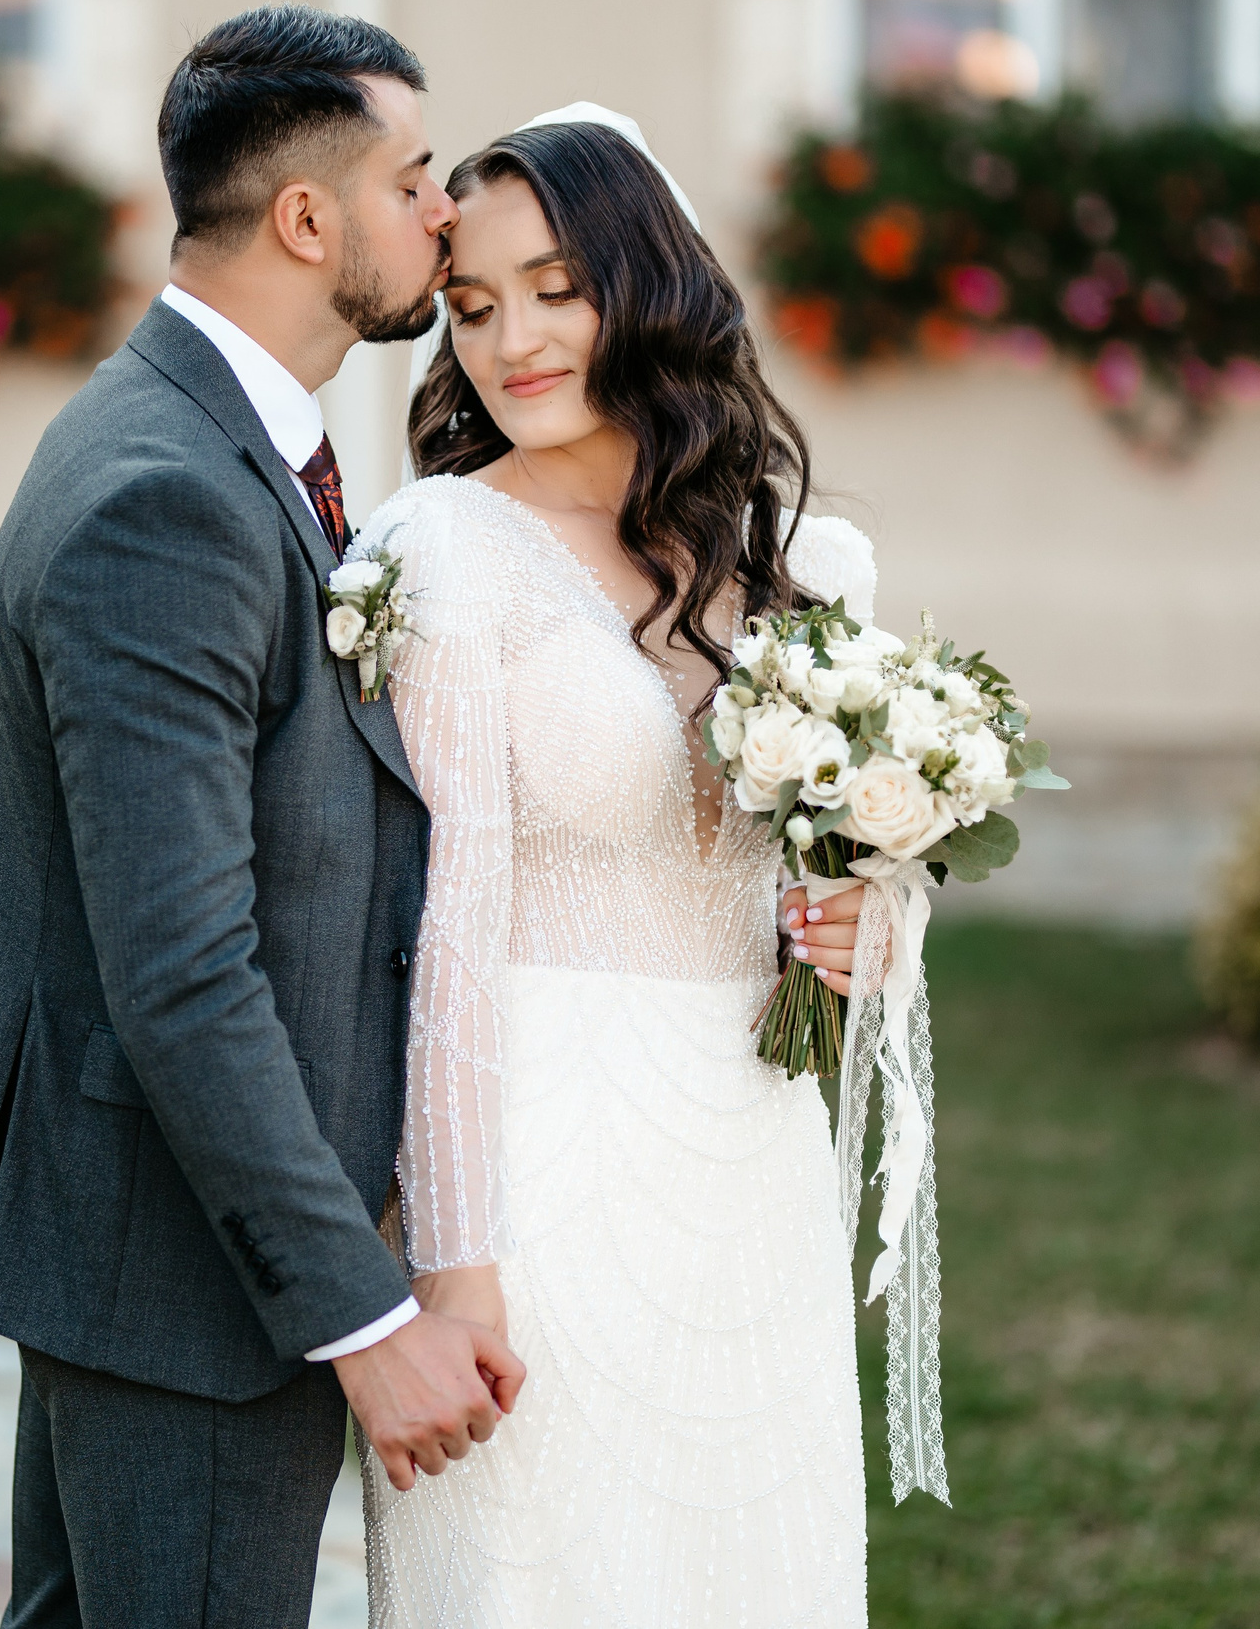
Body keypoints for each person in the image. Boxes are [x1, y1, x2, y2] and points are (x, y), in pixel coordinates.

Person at [0, 6, 524, 1628]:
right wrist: (359, 1316)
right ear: (308, 218)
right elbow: (179, 970)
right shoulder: (168, 498)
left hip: (141, 1253)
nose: (445, 212)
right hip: (189, 1283)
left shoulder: (194, 435)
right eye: (413, 177)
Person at [352, 111, 882, 1625]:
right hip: (540, 1161)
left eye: (557, 289)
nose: (510, 343)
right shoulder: (443, 548)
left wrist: (862, 928)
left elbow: (834, 876)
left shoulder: (802, 566)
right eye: (471, 306)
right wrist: (455, 1260)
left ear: (646, 284)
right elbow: (448, 924)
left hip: (753, 1153)